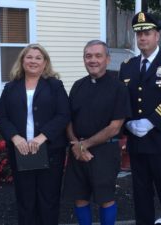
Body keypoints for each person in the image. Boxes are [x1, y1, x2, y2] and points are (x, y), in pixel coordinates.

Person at [119, 12, 161, 225]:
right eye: (139, 33)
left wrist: (151, 122)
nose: (142, 38)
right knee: (141, 197)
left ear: (157, 35)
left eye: (147, 33)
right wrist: (127, 123)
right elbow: (123, 100)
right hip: (138, 144)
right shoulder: (128, 65)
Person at [0, 43, 70, 225]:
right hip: (20, 151)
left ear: (45, 63)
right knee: (25, 200)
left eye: (38, 58)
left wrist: (42, 137)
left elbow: (64, 115)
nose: (33, 61)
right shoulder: (11, 87)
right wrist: (15, 137)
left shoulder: (55, 86)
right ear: (22, 61)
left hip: (50, 150)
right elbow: (1, 116)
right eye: (29, 57)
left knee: (49, 199)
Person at [64, 40, 131, 225]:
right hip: (77, 150)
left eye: (98, 56)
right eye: (88, 56)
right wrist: (76, 144)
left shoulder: (118, 88)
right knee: (80, 197)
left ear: (108, 59)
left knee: (105, 198)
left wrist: (85, 145)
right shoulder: (77, 86)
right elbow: (68, 120)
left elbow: (115, 126)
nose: (93, 60)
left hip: (105, 152)